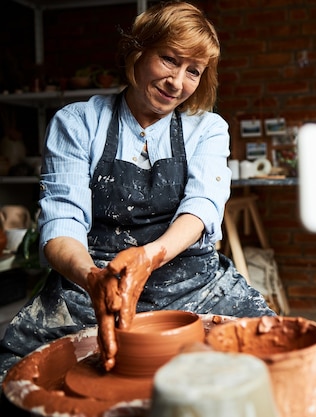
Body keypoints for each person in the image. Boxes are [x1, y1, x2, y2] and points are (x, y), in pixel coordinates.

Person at [0, 1, 275, 382]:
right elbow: (62, 217)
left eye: (192, 71)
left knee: (271, 352)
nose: (177, 82)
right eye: (168, 59)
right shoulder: (78, 122)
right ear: (137, 51)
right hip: (92, 286)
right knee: (15, 373)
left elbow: (202, 206)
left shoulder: (206, 128)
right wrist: (92, 278)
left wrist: (148, 257)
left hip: (190, 282)